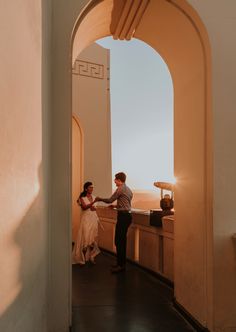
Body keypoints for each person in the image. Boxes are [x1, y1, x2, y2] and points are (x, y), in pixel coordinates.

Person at [95, 172, 133, 273]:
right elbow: (126, 204)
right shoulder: (128, 189)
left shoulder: (120, 189)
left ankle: (120, 265)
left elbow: (110, 200)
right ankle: (121, 264)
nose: (114, 181)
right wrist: (116, 206)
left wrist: (99, 199)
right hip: (127, 216)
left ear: (119, 180)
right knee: (121, 241)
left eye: (115, 179)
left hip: (123, 217)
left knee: (119, 241)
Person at [72, 181, 100, 265]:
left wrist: (94, 207)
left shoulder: (94, 197)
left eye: (92, 187)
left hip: (93, 219)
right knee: (85, 238)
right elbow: (84, 207)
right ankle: (82, 258)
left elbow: (94, 208)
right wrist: (93, 202)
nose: (92, 189)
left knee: (92, 239)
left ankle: (91, 257)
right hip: (86, 220)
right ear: (86, 188)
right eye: (90, 187)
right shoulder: (82, 198)